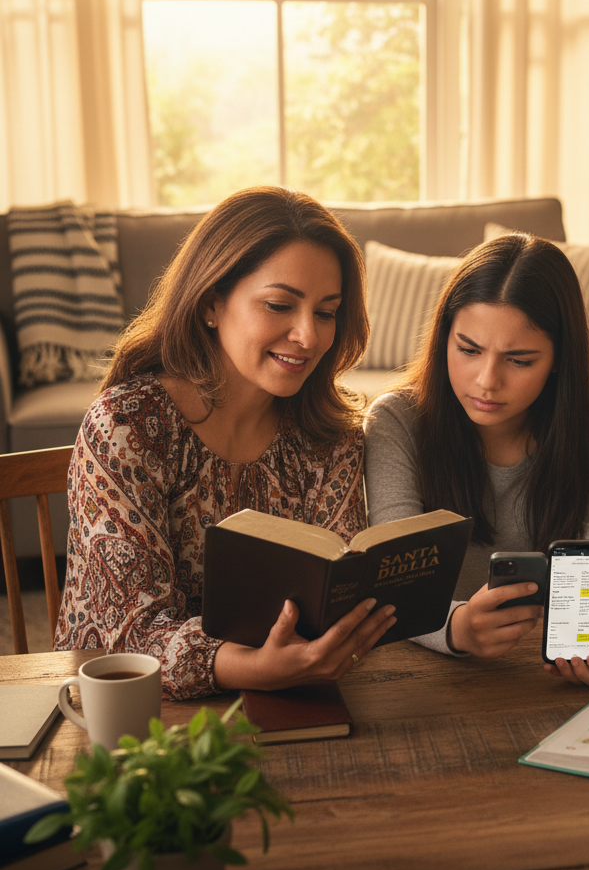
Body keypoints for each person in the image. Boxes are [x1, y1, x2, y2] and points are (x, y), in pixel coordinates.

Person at [54, 187, 397, 699]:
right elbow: (127, 634)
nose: (308, 336)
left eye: (326, 312)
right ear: (212, 304)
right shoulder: (127, 427)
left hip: (292, 696)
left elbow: (335, 595)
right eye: (280, 304)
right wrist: (251, 667)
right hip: (120, 715)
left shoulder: (333, 431)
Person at [363, 233, 589, 687]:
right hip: (431, 677)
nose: (487, 381)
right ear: (443, 340)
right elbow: (391, 583)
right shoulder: (396, 421)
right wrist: (456, 629)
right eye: (469, 350)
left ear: (558, 358)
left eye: (518, 360)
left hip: (549, 673)